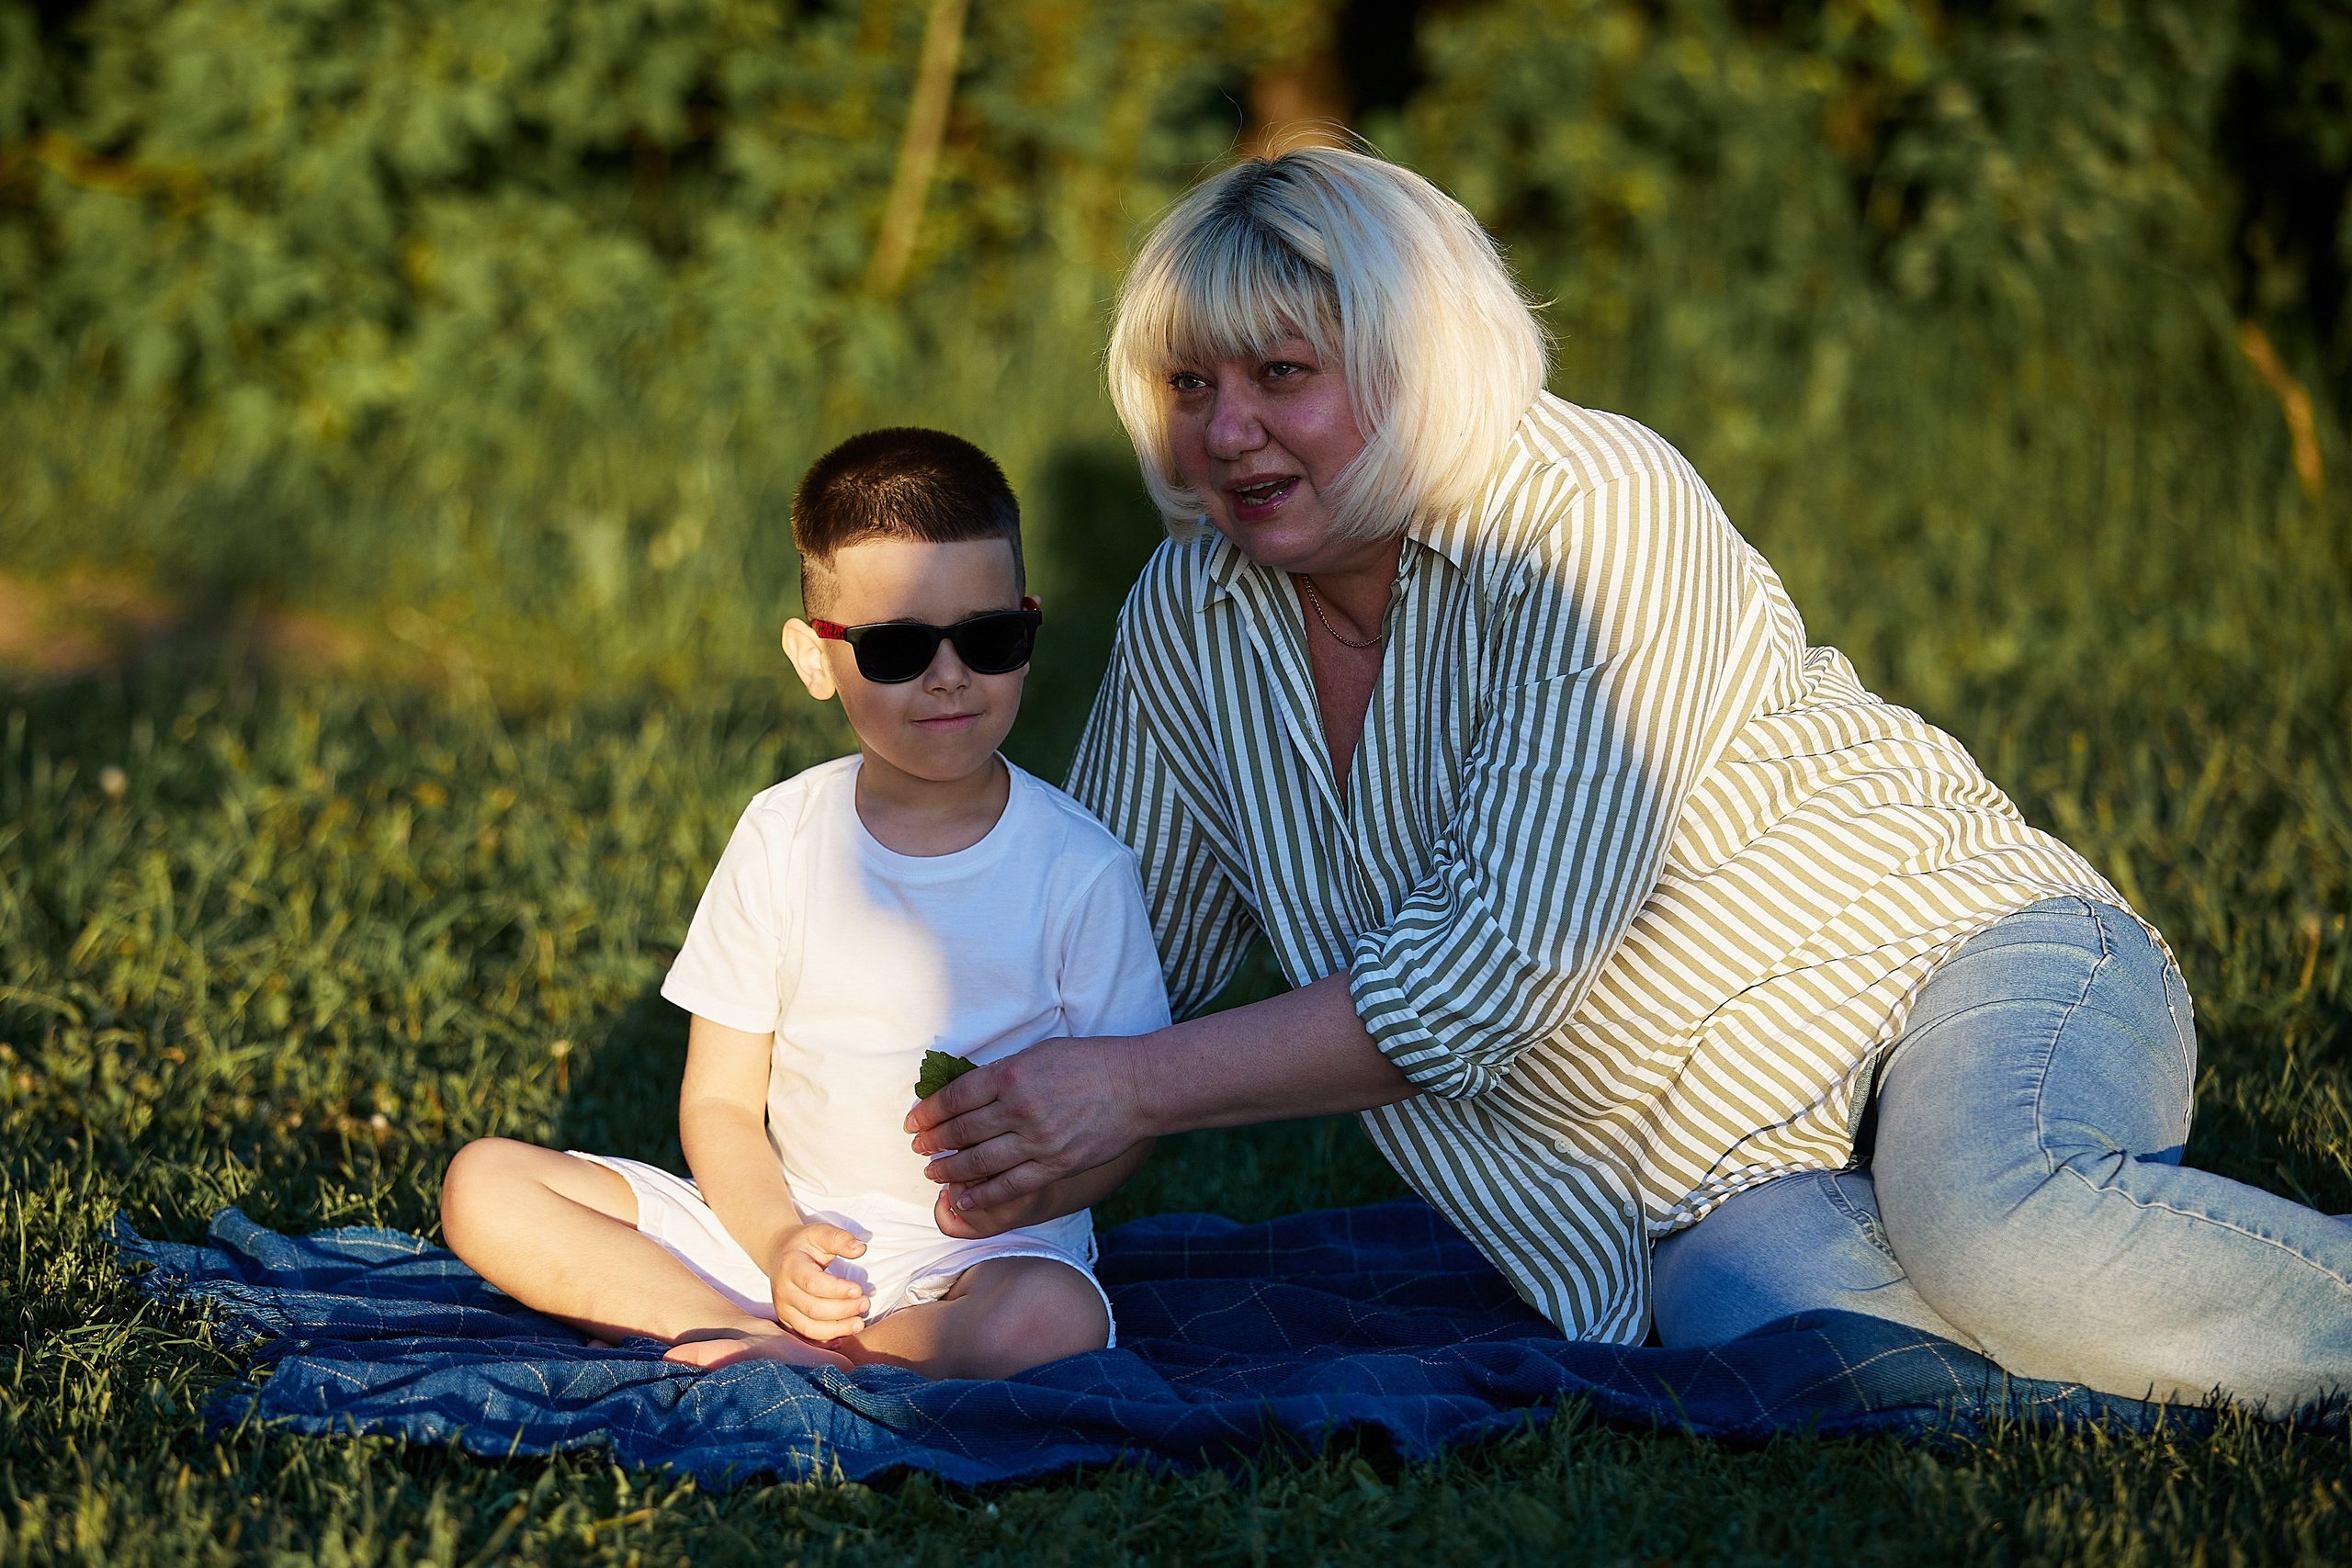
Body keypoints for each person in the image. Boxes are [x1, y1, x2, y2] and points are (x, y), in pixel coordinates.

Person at [906, 146, 2352, 1414]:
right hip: (1713, 1167)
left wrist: (1135, 1089)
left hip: (1964, 961)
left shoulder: (1593, 509)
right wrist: (883, 1147)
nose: (1225, 433)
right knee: (1846, 1365)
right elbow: (1108, 948)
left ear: (1419, 364)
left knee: (1999, 1233)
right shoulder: (1191, 607)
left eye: (1285, 374)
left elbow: (1486, 975)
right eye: (1189, 385)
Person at [441, 427, 1170, 1378]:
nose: (949, 675)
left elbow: (1129, 1120)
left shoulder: (1080, 869)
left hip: (978, 1258)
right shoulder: (784, 835)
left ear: (1029, 629)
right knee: (484, 1183)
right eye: (898, 648)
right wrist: (780, 1243)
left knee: (1050, 1319)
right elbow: (719, 1101)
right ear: (815, 657)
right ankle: (754, 1328)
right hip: (777, 1223)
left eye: (989, 639)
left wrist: (1029, 1198)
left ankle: (764, 1348)